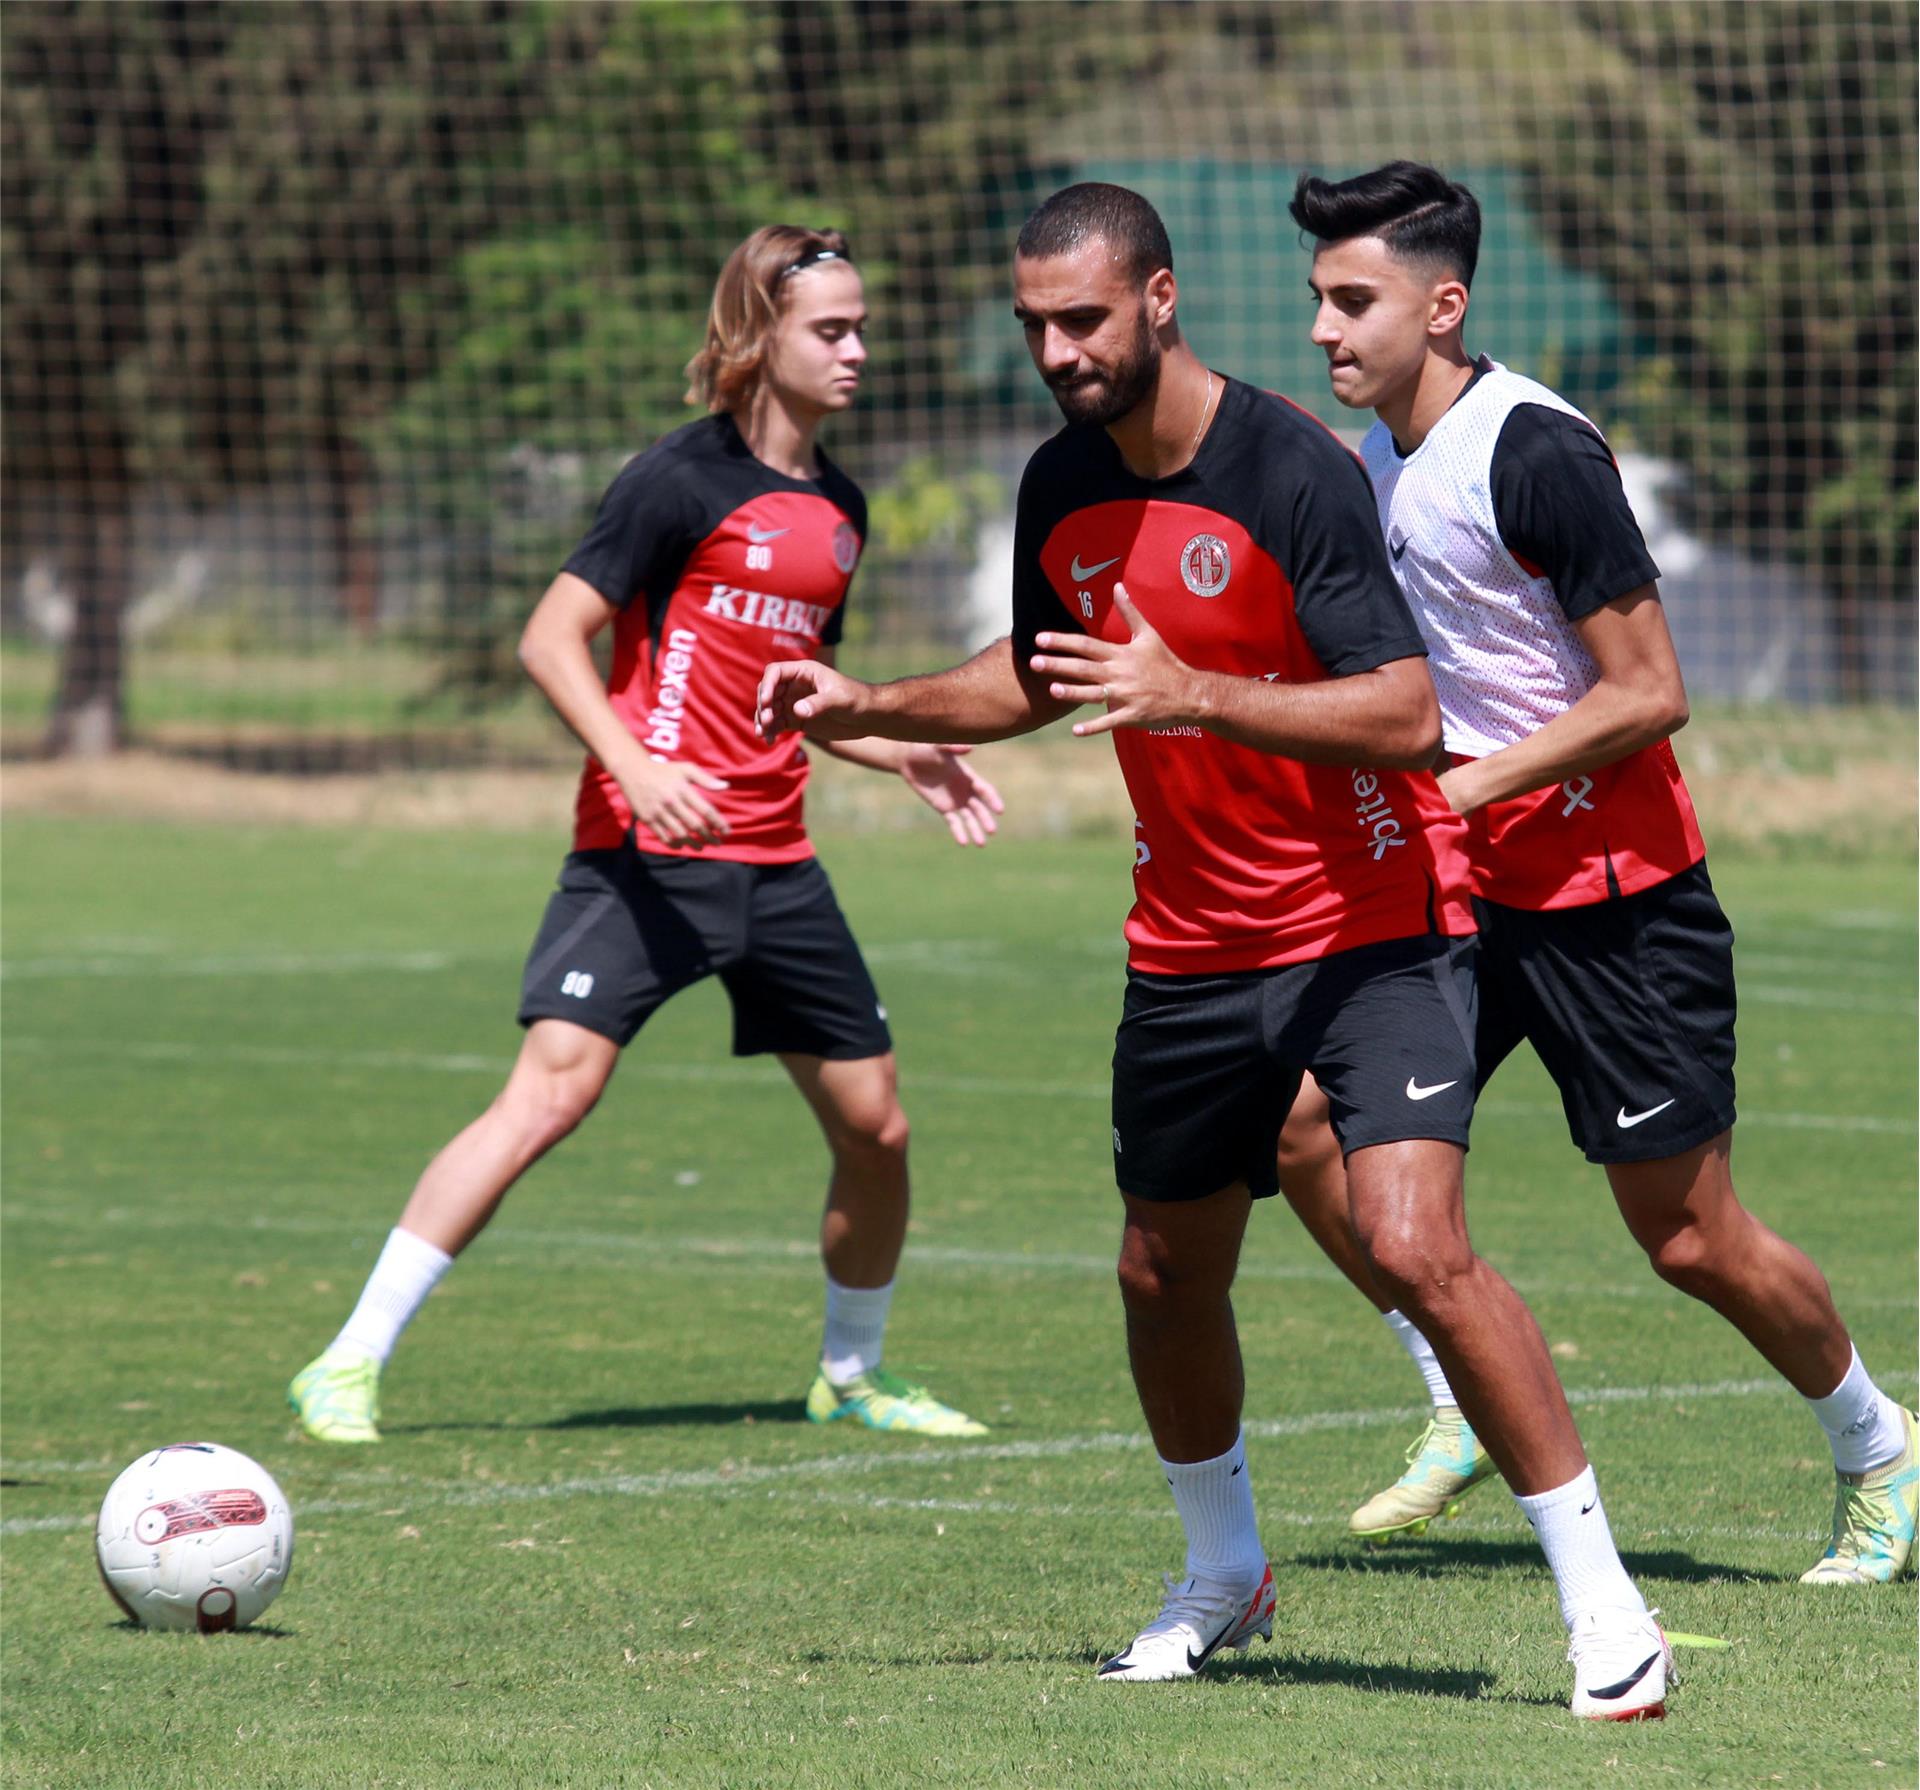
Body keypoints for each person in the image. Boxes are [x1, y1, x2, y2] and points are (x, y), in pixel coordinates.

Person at [756, 184, 1672, 1718]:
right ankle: (1223, 1574)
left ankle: (1607, 1609)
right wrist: (867, 703)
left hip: (1379, 924)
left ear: (1162, 300)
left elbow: (1402, 709)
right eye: (1034, 323)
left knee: (1414, 1242)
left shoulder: (1292, 467)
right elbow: (1036, 676)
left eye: (1085, 319)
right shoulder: (1061, 480)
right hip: (1189, 941)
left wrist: (1199, 694)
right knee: (1160, 1268)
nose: (1057, 349)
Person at [1280, 161, 1916, 1584]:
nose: (1324, 327)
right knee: (1308, 1130)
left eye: (1352, 300)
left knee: (1689, 1238)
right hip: (1456, 896)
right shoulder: (1368, 457)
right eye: (1318, 299)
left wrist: (1470, 787)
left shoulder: (1536, 450)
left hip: (1611, 901)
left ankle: (1881, 1446)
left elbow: (1649, 692)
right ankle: (1455, 1399)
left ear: (1444, 306)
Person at [288, 226, 1003, 1449]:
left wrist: (901, 751)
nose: (858, 350)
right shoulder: (675, 480)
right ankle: (346, 1361)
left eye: (864, 326)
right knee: (548, 1099)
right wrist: (635, 764)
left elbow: (801, 693)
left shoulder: (839, 509)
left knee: (876, 1125)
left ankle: (852, 1369)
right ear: (759, 335)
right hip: (639, 857)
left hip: (774, 864)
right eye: (832, 328)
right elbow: (549, 638)